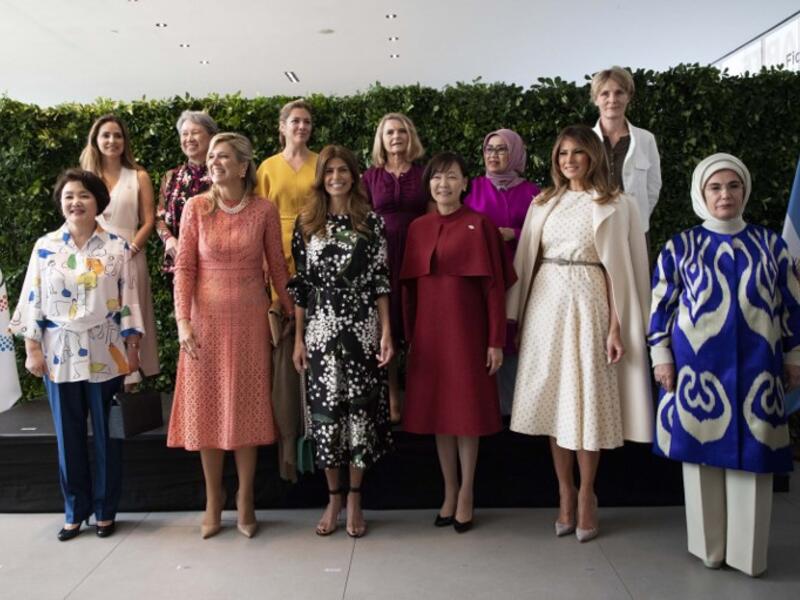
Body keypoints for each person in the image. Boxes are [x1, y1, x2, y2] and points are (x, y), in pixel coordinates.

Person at [649, 153, 800, 576]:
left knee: (756, 460)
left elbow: (792, 307)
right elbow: (659, 308)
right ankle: (709, 549)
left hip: (759, 372)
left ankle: (748, 556)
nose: (725, 195)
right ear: (701, 192)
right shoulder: (680, 245)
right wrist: (662, 359)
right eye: (715, 187)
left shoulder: (773, 245)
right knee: (700, 459)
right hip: (698, 373)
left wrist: (795, 356)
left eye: (733, 186)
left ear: (744, 191)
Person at [506, 125, 652, 542]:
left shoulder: (617, 203)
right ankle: (564, 492)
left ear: (592, 156)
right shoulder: (543, 203)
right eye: (562, 153)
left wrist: (617, 325)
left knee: (585, 400)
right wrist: (513, 317)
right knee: (555, 400)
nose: (569, 160)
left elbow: (620, 270)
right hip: (546, 305)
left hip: (591, 303)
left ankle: (588, 493)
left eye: (577, 153)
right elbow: (526, 261)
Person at [167, 132, 293, 539]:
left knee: (247, 405)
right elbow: (184, 268)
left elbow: (277, 267)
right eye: (211, 157)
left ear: (243, 166)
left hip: (250, 320)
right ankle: (213, 498)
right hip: (204, 321)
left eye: (224, 157)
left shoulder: (264, 210)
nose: (215, 162)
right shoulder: (195, 208)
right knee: (206, 408)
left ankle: (246, 498)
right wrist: (182, 321)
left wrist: (293, 315)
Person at [9, 168, 144, 540]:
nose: (76, 202)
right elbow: (31, 298)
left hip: (108, 349)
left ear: (98, 201)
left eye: (84, 195)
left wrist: (133, 350)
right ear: (61, 203)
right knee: (68, 438)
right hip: (59, 353)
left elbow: (130, 300)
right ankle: (74, 510)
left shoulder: (118, 246)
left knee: (107, 436)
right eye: (69, 195)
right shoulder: (45, 246)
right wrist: (32, 348)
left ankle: (105, 510)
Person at [401, 152, 516, 533]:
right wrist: (410, 337)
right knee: (439, 416)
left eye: (452, 177)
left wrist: (496, 340)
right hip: (429, 336)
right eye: (437, 178)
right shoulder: (418, 227)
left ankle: (467, 491)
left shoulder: (481, 225)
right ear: (428, 184)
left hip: (469, 335)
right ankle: (448, 490)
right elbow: (408, 293)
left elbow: (495, 289)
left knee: (466, 416)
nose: (443, 184)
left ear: (466, 183)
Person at [289, 145, 393, 538]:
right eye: (329, 170)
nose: (336, 177)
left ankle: (355, 498)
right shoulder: (306, 222)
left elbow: (381, 280)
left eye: (343, 170)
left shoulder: (372, 222)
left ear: (354, 175)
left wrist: (385, 331)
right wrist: (299, 339)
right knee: (327, 418)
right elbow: (301, 287)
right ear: (321, 177)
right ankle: (333, 497)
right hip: (320, 330)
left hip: (362, 328)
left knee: (360, 417)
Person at [255, 99, 318, 482]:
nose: (301, 126)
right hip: (273, 251)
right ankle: (281, 424)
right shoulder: (267, 167)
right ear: (282, 126)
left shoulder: (320, 160)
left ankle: (309, 420)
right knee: (280, 340)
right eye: (295, 121)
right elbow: (259, 211)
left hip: (313, 244)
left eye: (307, 121)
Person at [464, 128, 540, 415]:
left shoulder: (533, 192)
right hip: (482, 276)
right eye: (489, 149)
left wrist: (515, 233)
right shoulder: (472, 187)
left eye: (501, 149)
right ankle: (485, 410)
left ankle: (518, 412)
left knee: (516, 338)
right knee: (485, 337)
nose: (493, 155)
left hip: (520, 274)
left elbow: (545, 232)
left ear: (515, 153)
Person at [79, 115, 159, 381]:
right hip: (94, 260)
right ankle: (99, 375)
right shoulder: (85, 180)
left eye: (117, 135)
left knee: (131, 316)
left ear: (125, 141)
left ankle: (132, 379)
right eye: (106, 135)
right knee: (99, 315)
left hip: (131, 255)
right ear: (96, 140)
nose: (112, 141)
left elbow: (149, 220)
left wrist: (131, 249)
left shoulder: (139, 176)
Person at [362, 112, 428, 424]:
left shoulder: (424, 174)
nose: (396, 137)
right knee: (385, 327)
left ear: (410, 136)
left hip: (417, 257)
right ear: (382, 139)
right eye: (389, 132)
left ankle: (417, 394)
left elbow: (432, 215)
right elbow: (360, 218)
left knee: (416, 325)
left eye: (401, 131)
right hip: (381, 258)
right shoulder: (370, 177)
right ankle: (391, 397)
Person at [590, 66, 661, 248]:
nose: (612, 99)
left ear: (628, 96)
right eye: (605, 94)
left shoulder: (646, 139)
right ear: (596, 99)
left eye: (619, 92)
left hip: (635, 231)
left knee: (635, 277)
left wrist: (637, 216)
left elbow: (653, 187)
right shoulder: (585, 140)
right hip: (593, 229)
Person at [155, 110, 218, 282]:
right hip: (178, 262)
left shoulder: (223, 174)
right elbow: (158, 217)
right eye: (184, 134)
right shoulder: (170, 177)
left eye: (195, 132)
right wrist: (168, 240)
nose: (189, 138)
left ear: (212, 137)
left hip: (216, 263)